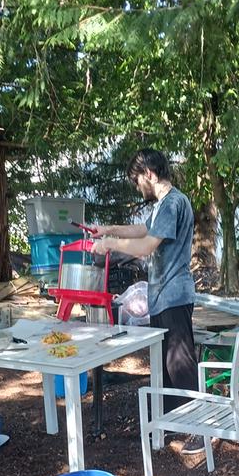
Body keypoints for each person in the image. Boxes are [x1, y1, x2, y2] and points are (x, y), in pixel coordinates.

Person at [91, 148, 203, 455]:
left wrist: (110, 245)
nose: (138, 187)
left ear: (149, 175)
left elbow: (147, 245)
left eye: (138, 181)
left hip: (173, 294)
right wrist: (109, 229)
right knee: (163, 364)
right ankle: (169, 422)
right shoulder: (164, 205)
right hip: (161, 296)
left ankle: (200, 430)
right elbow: (144, 229)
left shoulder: (173, 202)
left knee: (179, 363)